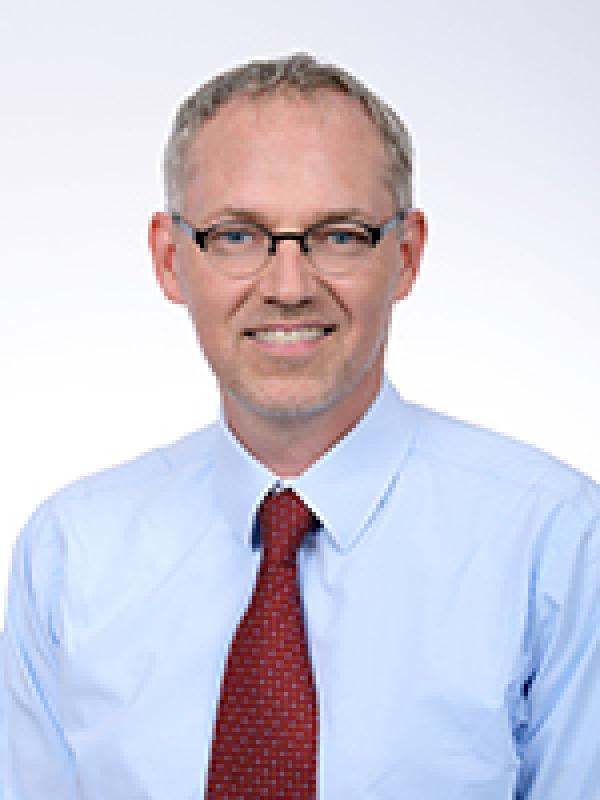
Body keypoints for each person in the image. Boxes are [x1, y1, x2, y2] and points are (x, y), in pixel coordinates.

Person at [3, 52, 599, 800]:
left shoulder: (558, 543)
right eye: (237, 235)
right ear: (168, 259)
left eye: (341, 235)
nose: (288, 287)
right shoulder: (70, 554)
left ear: (407, 257)